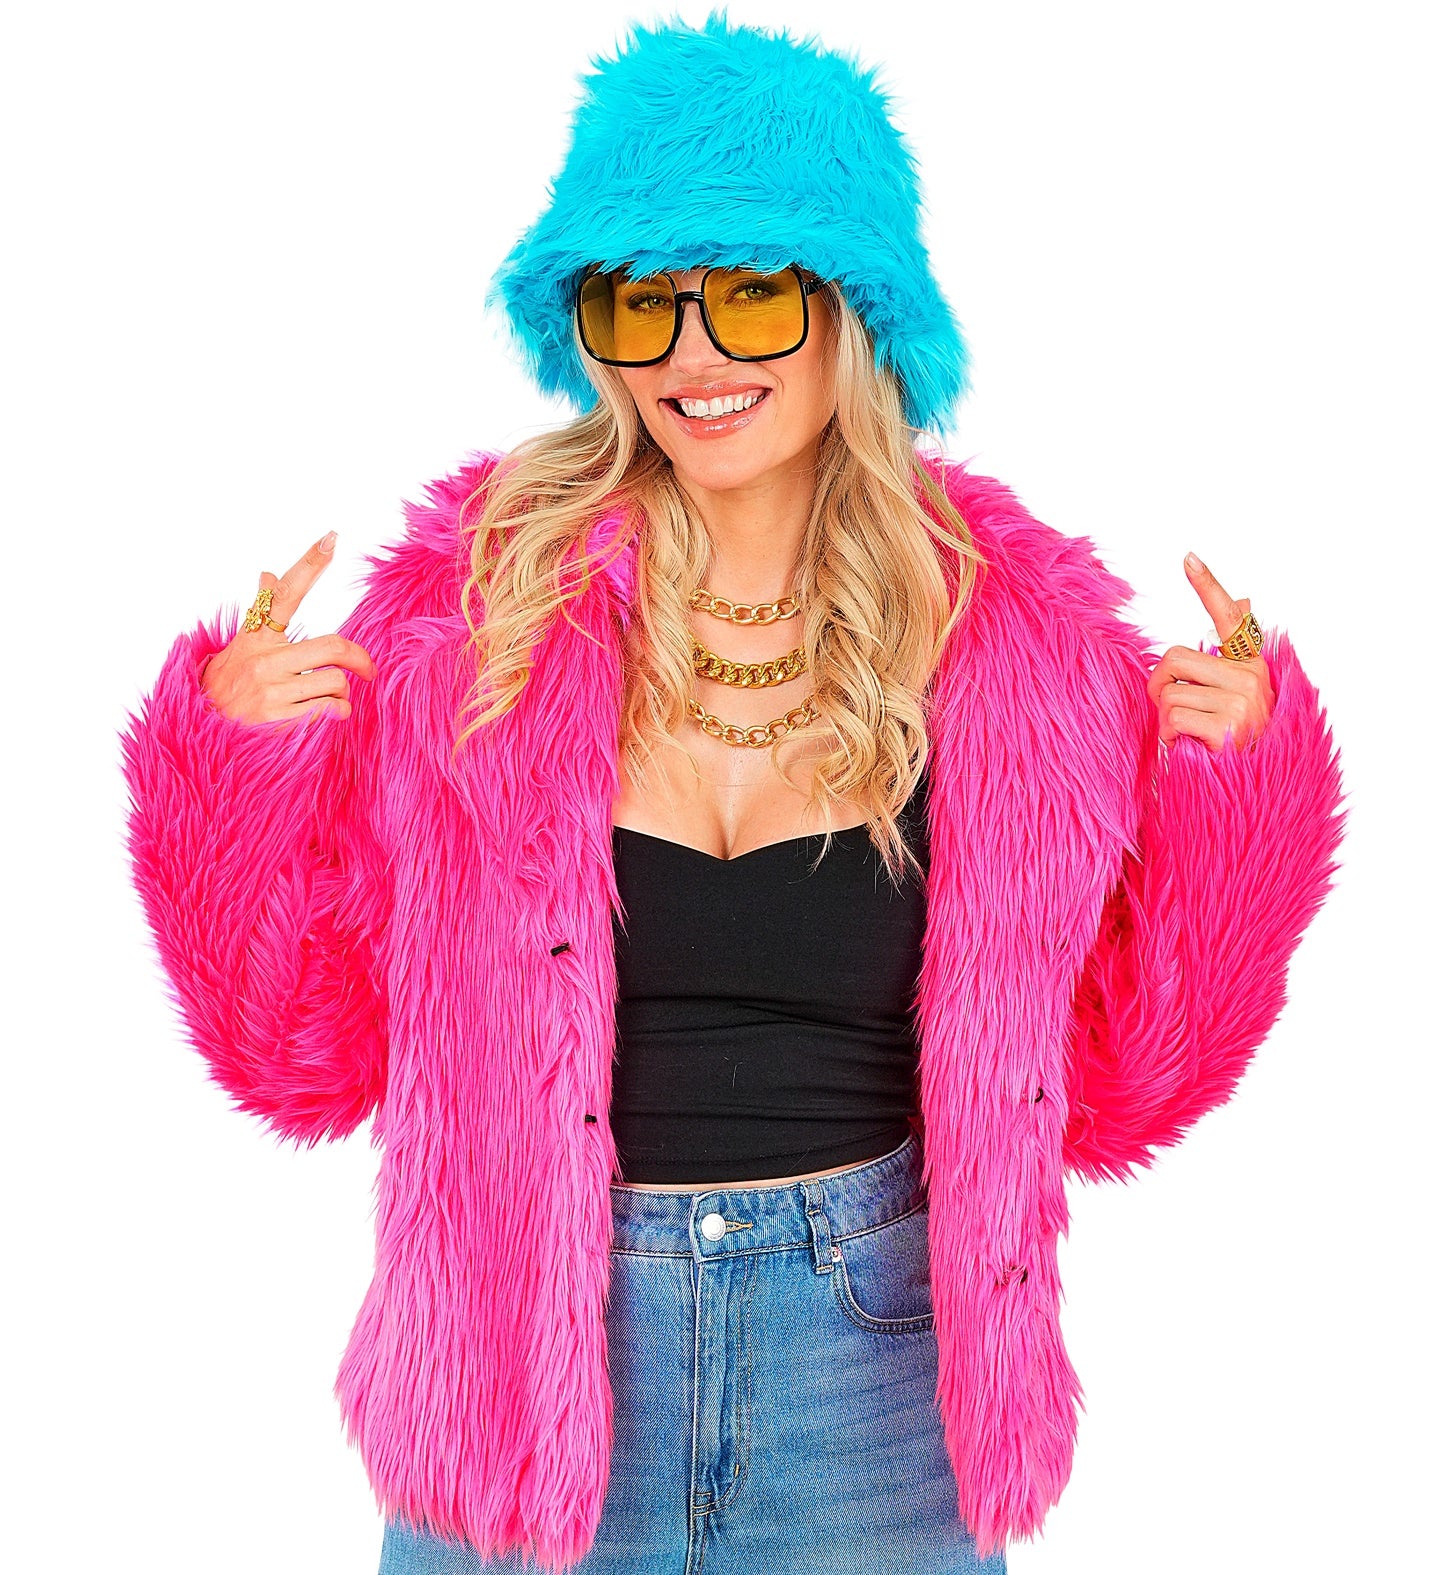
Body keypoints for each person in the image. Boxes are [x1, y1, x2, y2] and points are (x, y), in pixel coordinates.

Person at [118, 13, 1347, 1574]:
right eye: (644, 303)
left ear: (855, 310)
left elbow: (1123, 1090)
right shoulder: (466, 620)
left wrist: (1234, 805)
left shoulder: (1017, 645)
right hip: (514, 1372)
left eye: (752, 293)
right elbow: (293, 1058)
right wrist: (230, 774)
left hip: (875, 1380)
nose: (693, 357)